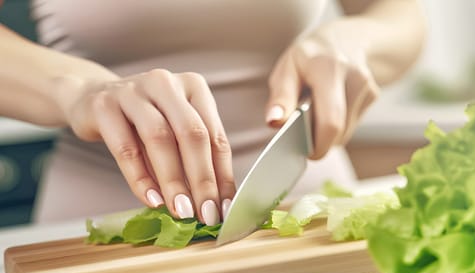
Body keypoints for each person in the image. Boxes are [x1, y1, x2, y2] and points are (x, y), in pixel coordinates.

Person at [0, 0, 425, 226]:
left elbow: (402, 14)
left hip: (313, 212)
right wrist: (79, 89)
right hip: (100, 228)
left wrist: (358, 39)